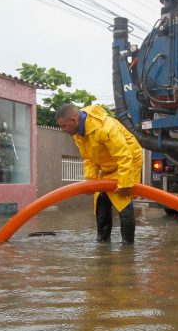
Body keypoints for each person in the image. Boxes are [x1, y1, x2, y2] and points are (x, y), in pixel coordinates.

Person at [56, 103, 143, 243]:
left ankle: (128, 247)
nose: (63, 130)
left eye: (64, 126)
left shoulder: (104, 128)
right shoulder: (78, 134)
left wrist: (125, 182)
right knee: (101, 200)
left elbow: (124, 155)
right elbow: (89, 158)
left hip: (128, 160)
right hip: (107, 167)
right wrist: (91, 180)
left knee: (123, 199)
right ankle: (102, 240)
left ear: (74, 119)